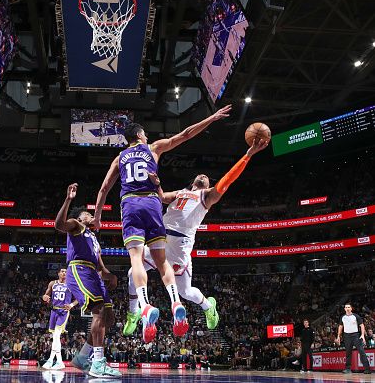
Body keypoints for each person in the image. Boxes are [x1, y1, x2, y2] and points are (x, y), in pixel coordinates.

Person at [93, 106, 231, 342]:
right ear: (139, 135)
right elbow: (185, 134)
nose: (147, 136)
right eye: (145, 133)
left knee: (136, 261)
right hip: (154, 208)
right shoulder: (154, 150)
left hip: (138, 209)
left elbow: (105, 188)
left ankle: (147, 307)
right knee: (153, 265)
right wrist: (211, 118)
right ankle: (156, 307)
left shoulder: (120, 158)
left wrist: (97, 216)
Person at [123, 138, 268, 337]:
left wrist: (248, 155)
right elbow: (162, 198)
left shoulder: (207, 196)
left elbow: (227, 179)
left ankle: (209, 307)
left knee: (186, 292)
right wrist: (157, 184)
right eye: (200, 175)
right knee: (132, 273)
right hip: (161, 237)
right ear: (193, 182)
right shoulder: (182, 192)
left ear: (208, 185)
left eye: (207, 177)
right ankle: (134, 313)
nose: (203, 176)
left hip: (180, 245)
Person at [55, 183, 121, 378]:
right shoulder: (76, 225)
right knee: (98, 311)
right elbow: (59, 225)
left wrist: (110, 274)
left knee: (108, 317)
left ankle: (83, 357)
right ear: (80, 216)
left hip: (93, 272)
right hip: (79, 269)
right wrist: (68, 199)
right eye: (88, 214)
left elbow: (100, 264)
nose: (92, 216)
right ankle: (98, 362)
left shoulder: (93, 236)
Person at [42, 268, 78, 370]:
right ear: (58, 273)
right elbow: (46, 294)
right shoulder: (52, 283)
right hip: (54, 311)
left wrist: (71, 304)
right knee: (55, 336)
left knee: (57, 335)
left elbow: (80, 297)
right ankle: (59, 361)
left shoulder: (71, 284)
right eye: (62, 271)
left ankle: (51, 360)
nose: (64, 273)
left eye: (66, 272)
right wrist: (44, 297)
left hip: (63, 311)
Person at [335, 303, 371, 374]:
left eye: (349, 307)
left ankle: (367, 369)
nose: (347, 308)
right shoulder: (342, 317)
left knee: (361, 351)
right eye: (346, 307)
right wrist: (338, 336)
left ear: (351, 308)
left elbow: (362, 325)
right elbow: (340, 327)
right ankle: (348, 369)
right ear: (344, 309)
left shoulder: (356, 316)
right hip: (346, 336)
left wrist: (362, 335)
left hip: (355, 335)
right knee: (348, 353)